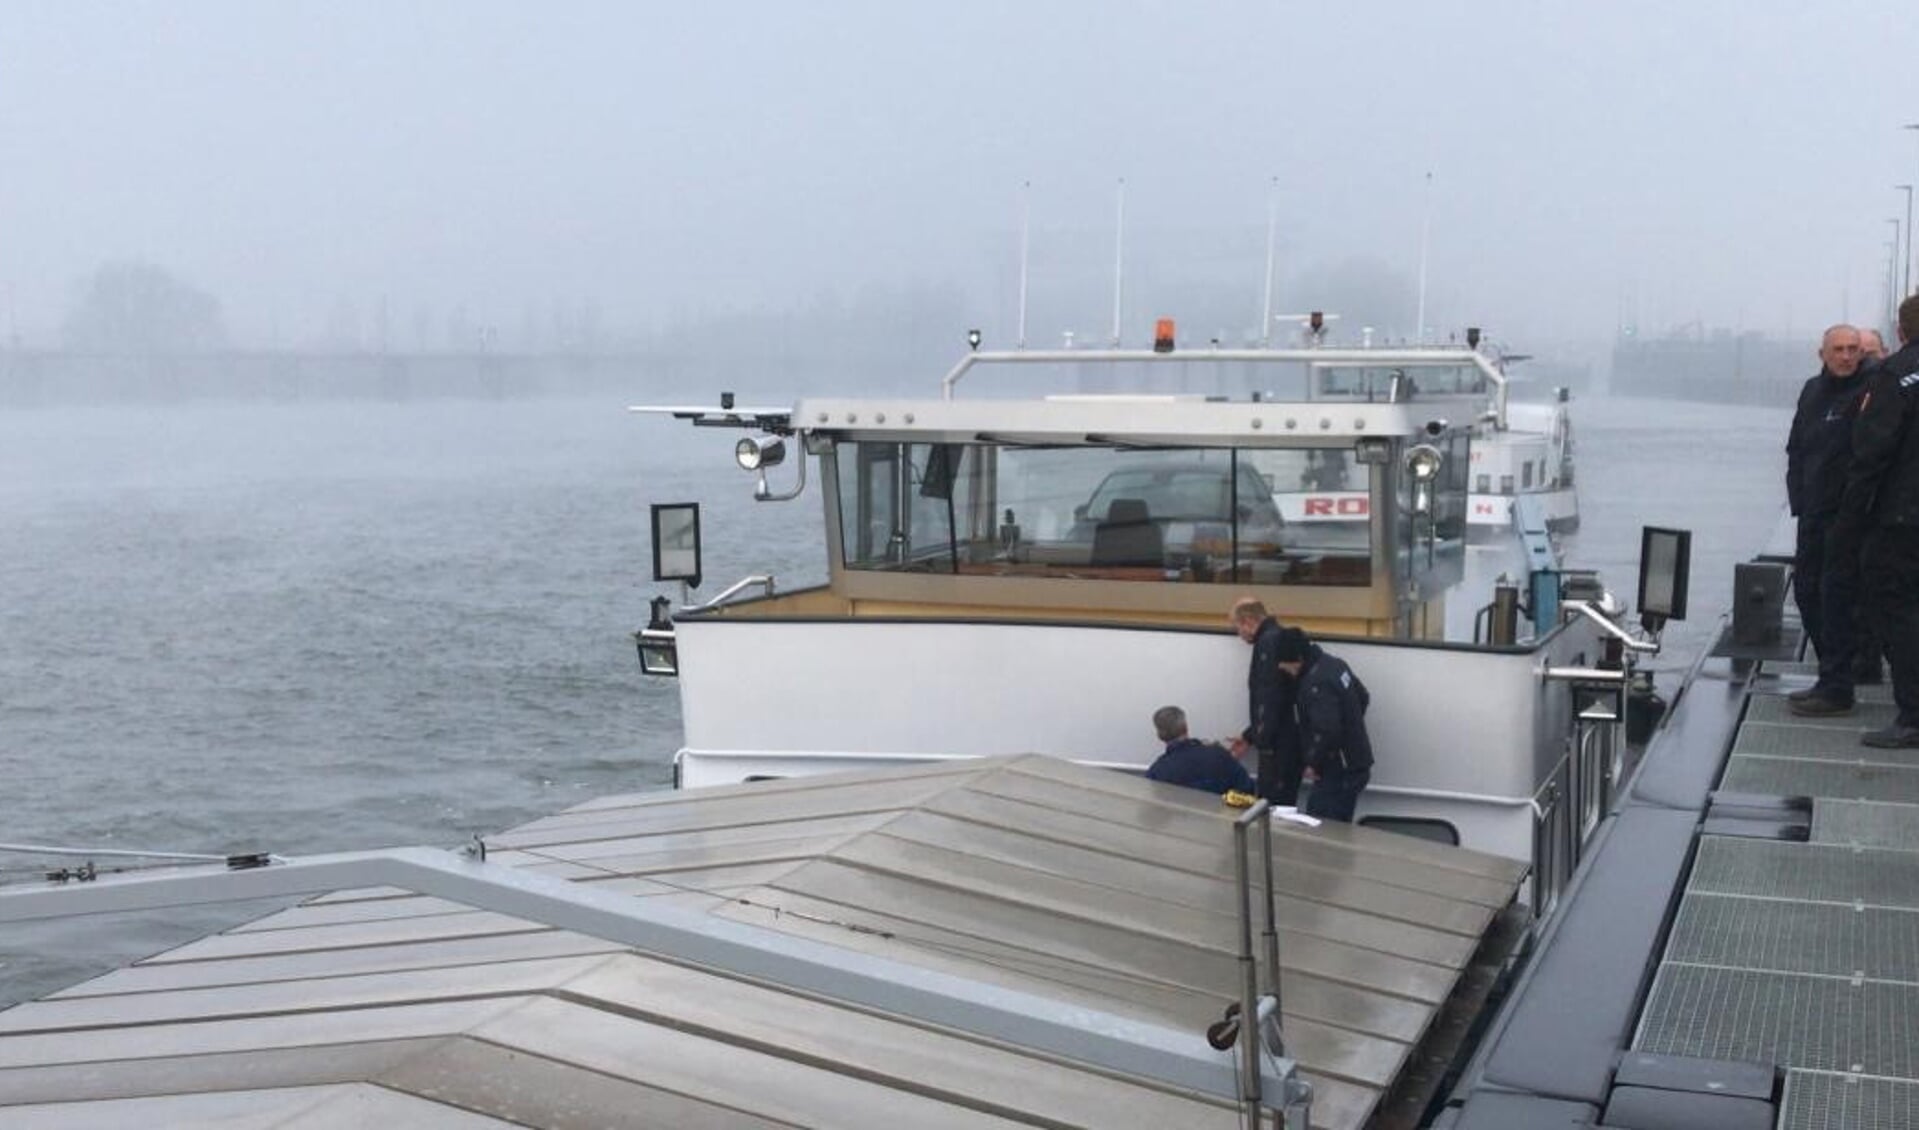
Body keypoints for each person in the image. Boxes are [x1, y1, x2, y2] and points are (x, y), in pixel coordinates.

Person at [1834, 295, 1919, 748]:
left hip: (1902, 518)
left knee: (1900, 610)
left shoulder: (1895, 375)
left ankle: (1912, 716)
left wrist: (1849, 522)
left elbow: (1872, 452)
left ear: (1901, 331)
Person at [1784, 324, 1866, 715]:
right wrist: (1798, 500)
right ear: (1823, 354)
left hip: (1847, 515)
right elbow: (1796, 448)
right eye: (1839, 349)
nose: (1847, 356)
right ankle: (1831, 672)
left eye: (1853, 349)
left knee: (1837, 599)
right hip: (1812, 511)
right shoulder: (1812, 392)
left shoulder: (1870, 392)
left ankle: (1838, 684)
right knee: (1805, 592)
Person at [1275, 627, 1373, 822]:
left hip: (1338, 770)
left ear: (1298, 659)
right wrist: (1351, 731)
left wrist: (1312, 762)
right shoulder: (1335, 665)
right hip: (1356, 763)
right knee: (1339, 824)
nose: (1282, 668)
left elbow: (1327, 730)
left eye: (1286, 664)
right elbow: (1362, 696)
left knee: (1322, 826)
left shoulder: (1315, 684)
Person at [1228, 596, 1302, 804]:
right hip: (1290, 740)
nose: (1239, 635)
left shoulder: (1267, 644)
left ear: (1248, 622)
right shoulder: (1280, 638)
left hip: (1277, 747)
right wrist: (1249, 736)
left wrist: (1261, 738)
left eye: (1237, 627)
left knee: (1272, 806)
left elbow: (1269, 698)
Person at [1145, 705, 1254, 795]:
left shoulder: (1158, 772)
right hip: (1224, 819)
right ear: (1186, 727)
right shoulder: (1218, 755)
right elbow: (1247, 789)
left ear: (1160, 735)